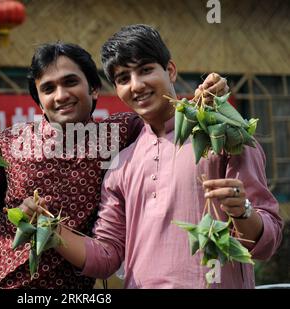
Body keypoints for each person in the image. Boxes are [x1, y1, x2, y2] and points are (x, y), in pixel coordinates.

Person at [0, 41, 228, 288]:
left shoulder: (122, 133)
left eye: (70, 82)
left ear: (94, 90)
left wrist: (209, 97)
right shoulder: (11, 143)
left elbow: (168, 115)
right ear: (39, 101)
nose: (61, 95)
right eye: (48, 88)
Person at [26, 24, 283, 288]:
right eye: (124, 78)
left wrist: (243, 212)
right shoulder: (121, 164)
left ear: (170, 70)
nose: (136, 85)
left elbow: (268, 242)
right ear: (116, 89)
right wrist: (49, 227)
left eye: (146, 70)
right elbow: (106, 256)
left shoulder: (223, 136)